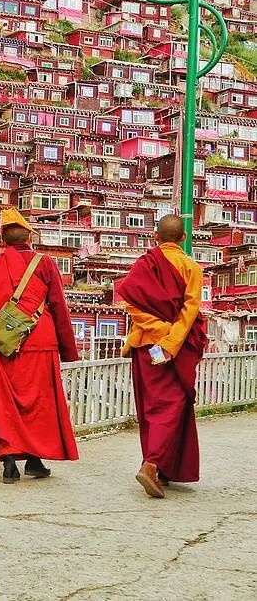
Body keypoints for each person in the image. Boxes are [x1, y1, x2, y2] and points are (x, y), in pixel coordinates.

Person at [0, 208, 79, 484]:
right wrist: (68, 350)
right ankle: (35, 460)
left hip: (5, 345)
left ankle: (9, 464)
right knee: (40, 405)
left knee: (5, 404)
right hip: (41, 342)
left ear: (3, 240)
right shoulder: (45, 263)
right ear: (29, 237)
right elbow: (59, 307)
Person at [118, 214, 207, 499]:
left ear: (155, 237)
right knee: (172, 405)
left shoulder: (143, 265)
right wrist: (170, 339)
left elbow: (132, 305)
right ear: (183, 239)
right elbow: (190, 310)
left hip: (146, 347)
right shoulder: (191, 267)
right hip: (175, 347)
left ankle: (163, 468)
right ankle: (152, 464)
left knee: (151, 407)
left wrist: (158, 332)